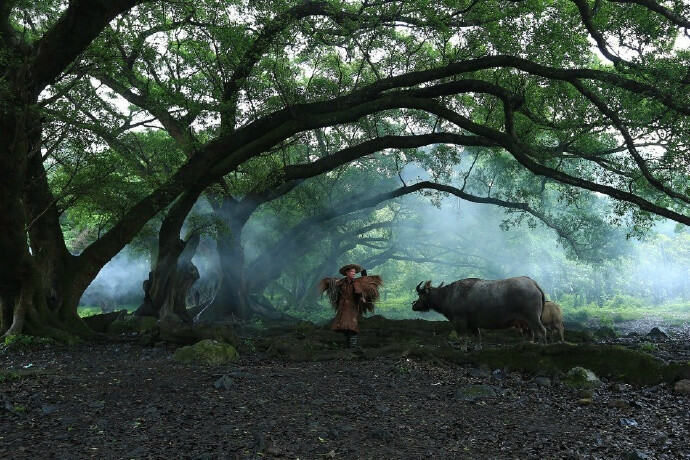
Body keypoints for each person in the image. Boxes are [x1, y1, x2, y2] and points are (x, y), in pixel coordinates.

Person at [318, 263, 383, 348]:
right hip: (342, 307)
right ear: (347, 272)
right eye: (352, 271)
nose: (354, 273)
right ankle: (346, 345)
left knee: (352, 327)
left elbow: (360, 292)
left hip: (352, 308)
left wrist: (362, 298)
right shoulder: (341, 282)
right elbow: (332, 285)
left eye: (355, 272)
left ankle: (352, 346)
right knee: (341, 326)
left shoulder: (357, 283)